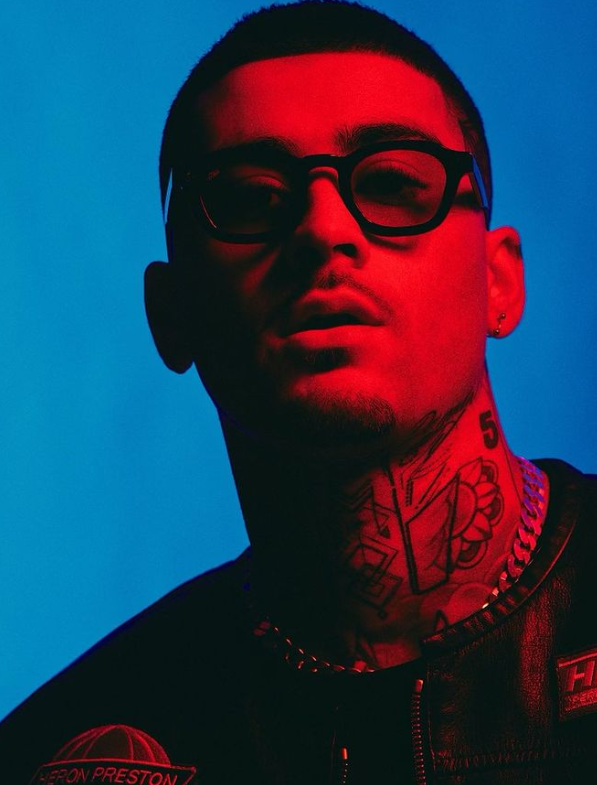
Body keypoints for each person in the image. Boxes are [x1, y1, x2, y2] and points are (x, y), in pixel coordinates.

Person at [1, 2, 596, 782]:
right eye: (250, 196)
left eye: (391, 181)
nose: (323, 229)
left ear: (498, 281)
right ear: (171, 315)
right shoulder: (70, 749)